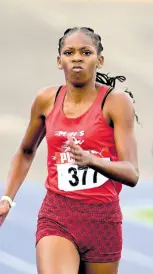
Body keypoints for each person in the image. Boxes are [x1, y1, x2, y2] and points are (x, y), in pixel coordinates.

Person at [0, 27, 139, 274]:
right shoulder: (46, 99)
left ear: (99, 60)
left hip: (103, 219)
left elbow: (132, 174)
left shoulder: (116, 103)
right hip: (58, 213)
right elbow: (25, 151)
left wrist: (92, 160)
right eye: (69, 52)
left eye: (86, 52)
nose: (77, 58)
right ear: (59, 60)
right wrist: (7, 198)